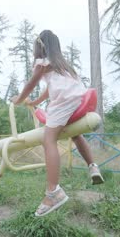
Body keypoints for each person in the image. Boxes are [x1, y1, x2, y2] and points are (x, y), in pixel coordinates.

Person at [11, 30, 104, 217]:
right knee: (76, 134)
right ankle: (92, 166)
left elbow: (31, 84)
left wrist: (19, 99)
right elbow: (49, 89)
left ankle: (53, 192)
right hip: (80, 99)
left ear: (40, 47)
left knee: (49, 140)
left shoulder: (41, 63)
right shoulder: (63, 66)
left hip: (64, 102)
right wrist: (35, 103)